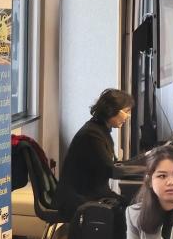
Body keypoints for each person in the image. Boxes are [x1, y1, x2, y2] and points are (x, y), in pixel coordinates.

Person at [57, 88, 133, 220]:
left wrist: (141, 167)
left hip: (92, 192)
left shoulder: (100, 130)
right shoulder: (92, 134)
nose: (128, 116)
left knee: (131, 204)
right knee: (131, 208)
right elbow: (110, 170)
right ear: (111, 110)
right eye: (126, 112)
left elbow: (112, 165)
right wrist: (143, 170)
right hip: (80, 197)